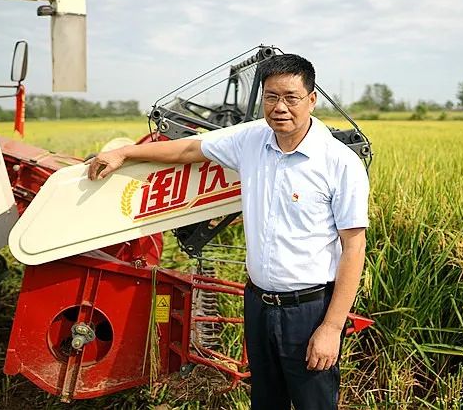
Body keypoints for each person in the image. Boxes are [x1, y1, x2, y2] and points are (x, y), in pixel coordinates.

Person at [87, 54, 369, 410]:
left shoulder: (340, 163)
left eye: (291, 97)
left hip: (309, 311)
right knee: (266, 401)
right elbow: (192, 147)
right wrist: (127, 153)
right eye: (271, 97)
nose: (280, 107)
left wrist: (331, 328)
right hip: (259, 304)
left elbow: (353, 248)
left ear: (311, 100)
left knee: (314, 403)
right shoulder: (250, 140)